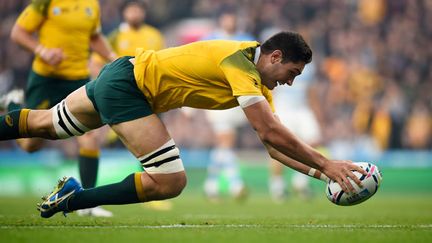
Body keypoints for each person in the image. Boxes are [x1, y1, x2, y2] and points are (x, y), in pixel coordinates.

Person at [0, 31, 366, 218]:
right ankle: (73, 199)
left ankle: (69, 193)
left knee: (46, 125)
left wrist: (324, 175)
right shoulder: (237, 60)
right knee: (171, 181)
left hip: (124, 73)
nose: (290, 82)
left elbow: (273, 147)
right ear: (274, 56)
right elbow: (268, 132)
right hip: (131, 88)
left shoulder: (258, 85)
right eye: (291, 72)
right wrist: (326, 162)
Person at [3, 0, 117, 217]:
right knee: (30, 145)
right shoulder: (46, 2)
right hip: (46, 79)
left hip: (78, 80)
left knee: (90, 137)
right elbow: (18, 32)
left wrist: (112, 59)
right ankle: (13, 103)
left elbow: (94, 36)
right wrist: (42, 50)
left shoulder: (92, 4)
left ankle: (88, 203)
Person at [200, 9, 254, 201]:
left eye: (232, 17)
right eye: (227, 17)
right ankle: (234, 183)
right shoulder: (211, 39)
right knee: (226, 140)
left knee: (224, 143)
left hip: (238, 95)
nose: (229, 20)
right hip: (216, 94)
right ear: (221, 20)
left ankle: (211, 184)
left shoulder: (245, 39)